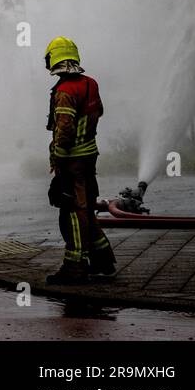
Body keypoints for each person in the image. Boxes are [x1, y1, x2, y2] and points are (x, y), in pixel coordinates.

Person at [43, 36, 116, 284]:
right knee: (86, 208)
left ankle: (75, 267)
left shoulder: (64, 91)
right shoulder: (90, 83)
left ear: (54, 60)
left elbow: (64, 129)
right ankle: (102, 258)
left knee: (73, 211)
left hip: (72, 160)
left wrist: (58, 161)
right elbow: (98, 112)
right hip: (89, 156)